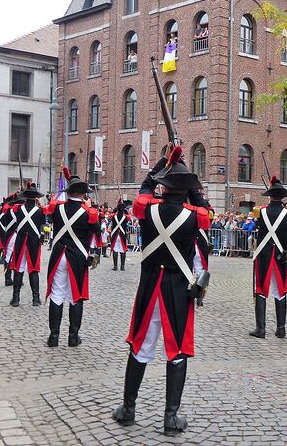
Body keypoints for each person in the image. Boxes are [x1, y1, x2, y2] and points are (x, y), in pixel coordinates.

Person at [112, 145, 210, 437]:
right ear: (187, 190)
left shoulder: (147, 207)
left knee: (140, 346)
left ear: (163, 187)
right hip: (177, 291)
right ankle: (170, 417)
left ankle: (128, 410)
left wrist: (164, 160)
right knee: (177, 349)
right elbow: (202, 205)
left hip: (149, 286)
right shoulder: (196, 216)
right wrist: (192, 186)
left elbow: (145, 185)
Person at [45, 168, 99, 347]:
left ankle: (53, 337)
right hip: (77, 257)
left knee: (57, 294)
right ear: (83, 194)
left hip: (59, 255)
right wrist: (88, 206)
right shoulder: (88, 213)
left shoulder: (57, 208)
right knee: (76, 296)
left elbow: (50, 214)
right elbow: (96, 234)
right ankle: (73, 337)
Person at [250, 176, 287, 339]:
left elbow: (254, 228)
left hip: (264, 255)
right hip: (281, 256)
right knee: (280, 290)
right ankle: (281, 329)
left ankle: (260, 329)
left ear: (270, 195)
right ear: (282, 197)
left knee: (261, 289)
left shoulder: (260, 212)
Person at [10, 183, 46, 307]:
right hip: (33, 243)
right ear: (36, 197)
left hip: (20, 242)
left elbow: (11, 207)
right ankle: (36, 299)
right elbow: (43, 224)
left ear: (25, 197)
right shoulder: (40, 211)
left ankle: (15, 299)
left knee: (18, 269)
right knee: (33, 269)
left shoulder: (18, 209)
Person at [110, 198, 131, 271]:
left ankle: (115, 267)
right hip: (122, 234)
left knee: (115, 250)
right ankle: (122, 267)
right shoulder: (126, 216)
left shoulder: (113, 216)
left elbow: (111, 214)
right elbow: (129, 217)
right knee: (123, 250)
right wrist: (125, 211)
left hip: (115, 235)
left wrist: (116, 209)